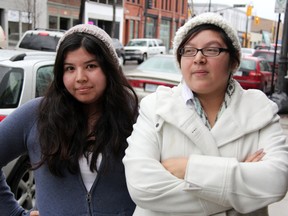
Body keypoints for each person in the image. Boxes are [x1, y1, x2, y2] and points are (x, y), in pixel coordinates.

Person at [123, 12, 288, 216]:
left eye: (211, 50)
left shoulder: (259, 108)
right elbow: (142, 187)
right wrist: (240, 189)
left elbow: (275, 182)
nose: (199, 58)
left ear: (234, 61)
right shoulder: (155, 107)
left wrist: (189, 168)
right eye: (189, 51)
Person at [0, 24, 138, 215]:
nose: (80, 78)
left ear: (109, 68)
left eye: (91, 66)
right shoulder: (37, 115)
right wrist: (13, 213)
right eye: (70, 68)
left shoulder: (135, 116)